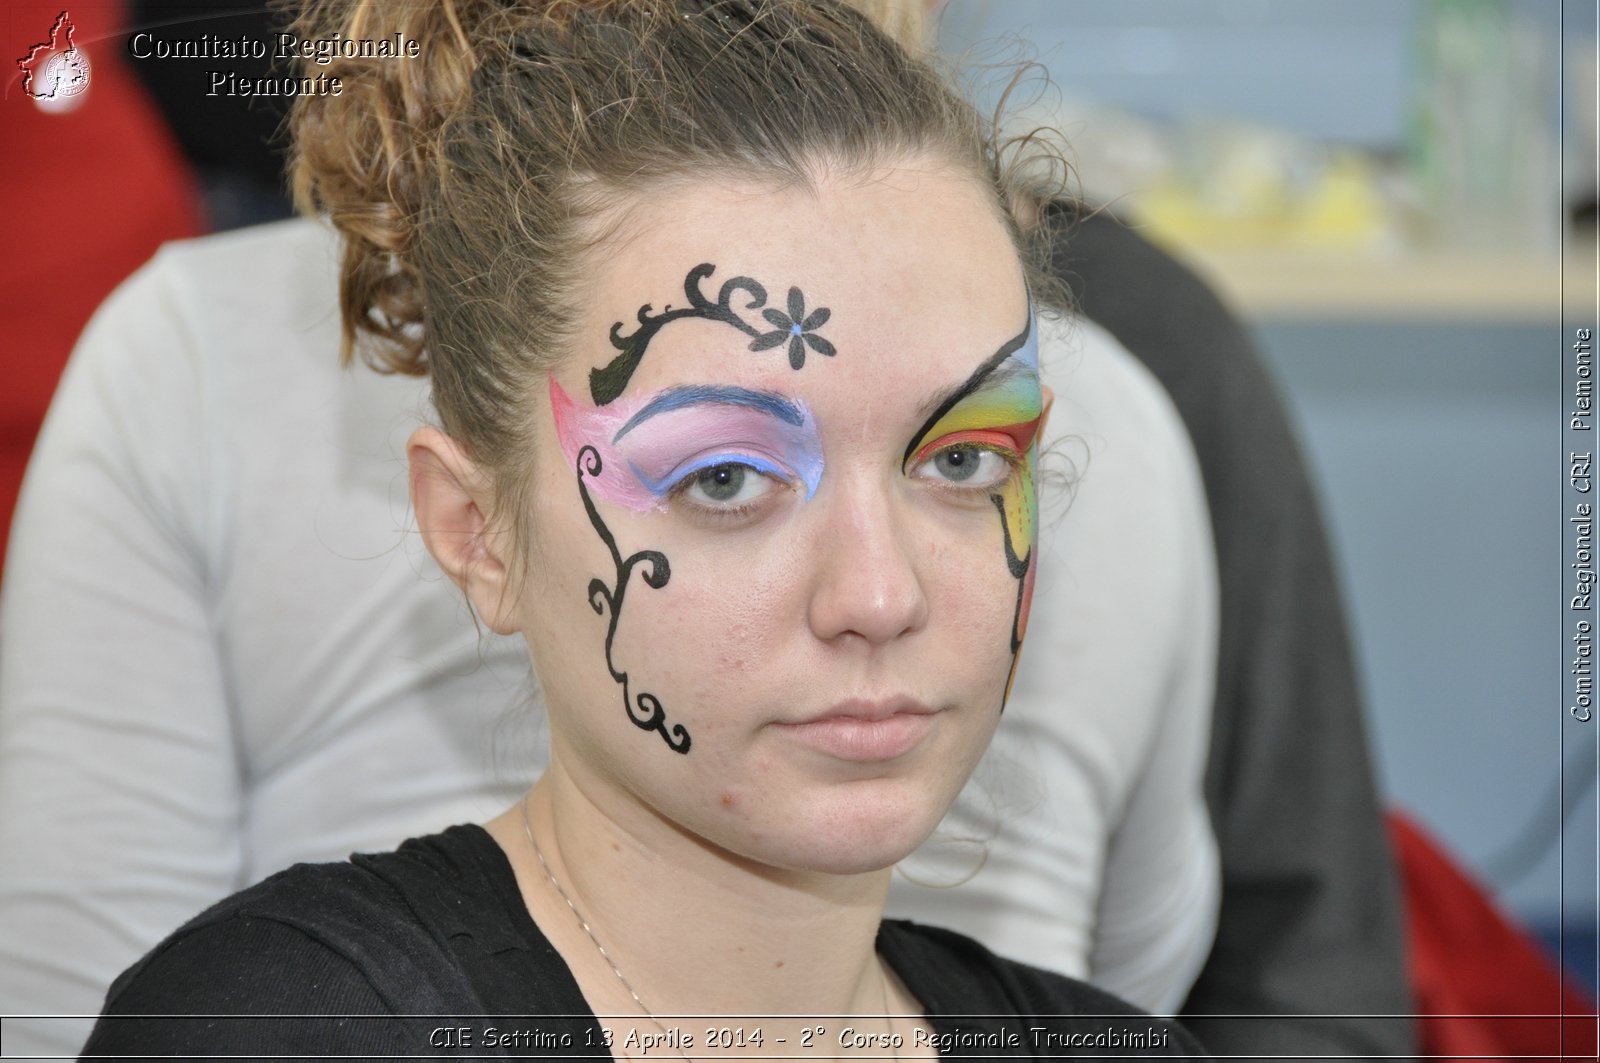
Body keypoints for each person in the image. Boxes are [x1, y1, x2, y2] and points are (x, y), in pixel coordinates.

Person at [74, 0, 1210, 1056]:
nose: (878, 595)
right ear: (478, 533)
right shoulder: (270, 1028)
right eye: (723, 480)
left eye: (962, 461)